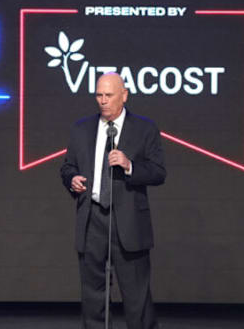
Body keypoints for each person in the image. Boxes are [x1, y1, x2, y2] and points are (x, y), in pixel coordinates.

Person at [60, 72, 166, 329]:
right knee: (93, 296)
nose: (103, 101)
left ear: (124, 96)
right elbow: (67, 167)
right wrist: (72, 179)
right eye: (99, 95)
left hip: (128, 221)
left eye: (109, 95)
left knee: (136, 296)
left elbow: (158, 172)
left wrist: (130, 166)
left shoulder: (144, 128)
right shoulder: (81, 128)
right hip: (92, 218)